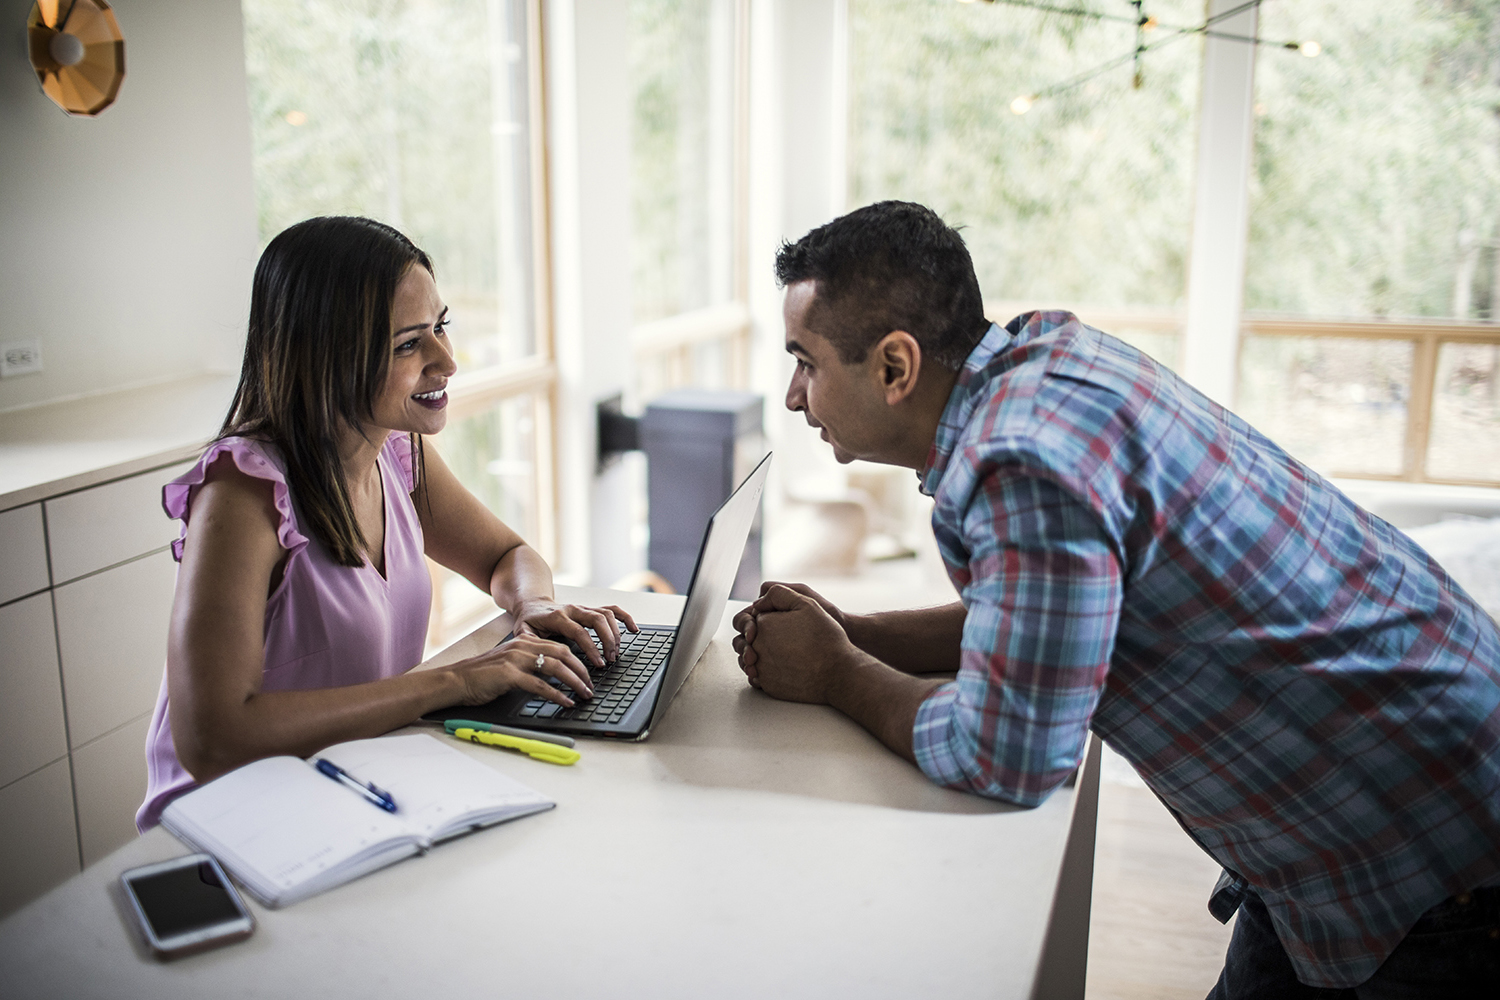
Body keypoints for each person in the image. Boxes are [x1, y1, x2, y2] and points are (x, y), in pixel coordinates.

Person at [732, 201, 1500, 997]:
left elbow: (1007, 755)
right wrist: (855, 633)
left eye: (807, 361)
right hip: (1389, 781)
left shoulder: (1020, 462)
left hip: (1427, 841)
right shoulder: (1044, 361)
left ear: (895, 367)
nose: (793, 396)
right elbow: (1045, 617)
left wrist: (837, 673)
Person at [138, 216, 634, 830]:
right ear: (325, 356)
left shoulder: (396, 453)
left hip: (346, 789)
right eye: (409, 344)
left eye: (441, 327)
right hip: (232, 825)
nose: (447, 361)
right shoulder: (242, 494)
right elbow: (214, 739)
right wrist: (451, 681)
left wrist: (531, 605)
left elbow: (508, 555)